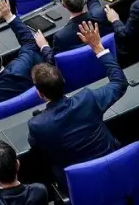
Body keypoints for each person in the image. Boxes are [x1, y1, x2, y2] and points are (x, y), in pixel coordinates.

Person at [27, 23, 126, 175]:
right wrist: (97, 47)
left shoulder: (37, 124)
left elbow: (36, 147)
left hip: (80, 184)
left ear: (40, 94)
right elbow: (119, 82)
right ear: (64, 82)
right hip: (116, 167)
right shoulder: (88, 98)